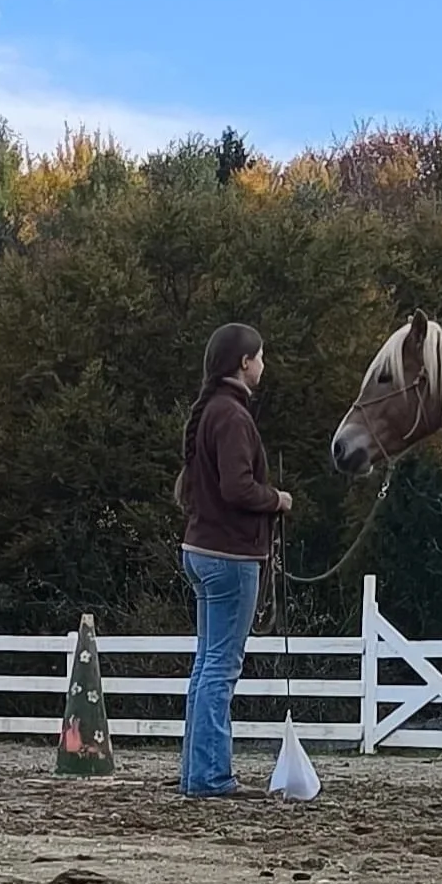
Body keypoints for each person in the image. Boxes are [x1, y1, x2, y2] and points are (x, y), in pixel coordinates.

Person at [175, 321, 291, 798]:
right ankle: (210, 777)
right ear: (244, 363)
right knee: (221, 667)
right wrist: (278, 500)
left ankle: (197, 772)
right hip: (229, 555)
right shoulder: (233, 416)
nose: (263, 364)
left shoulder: (211, 412)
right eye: (260, 356)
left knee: (207, 665)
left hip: (202, 550)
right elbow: (238, 487)